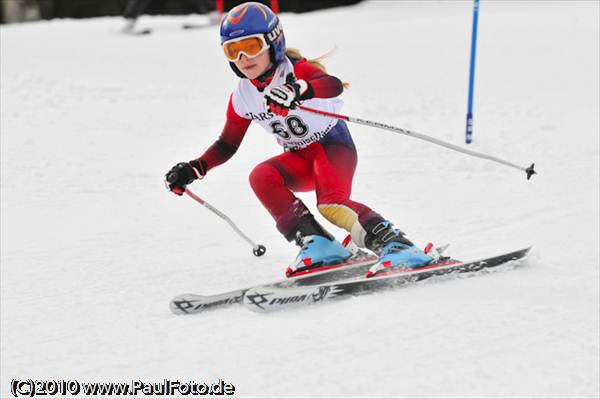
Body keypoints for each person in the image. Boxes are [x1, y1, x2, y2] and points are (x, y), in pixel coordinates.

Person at [165, 1, 432, 275]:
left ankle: (399, 247)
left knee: (331, 204)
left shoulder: (296, 71)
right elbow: (226, 144)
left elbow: (333, 85)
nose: (244, 57)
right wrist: (194, 168)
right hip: (300, 158)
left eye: (252, 46)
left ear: (274, 42)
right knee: (261, 176)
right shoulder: (243, 96)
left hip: (332, 147)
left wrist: (299, 90)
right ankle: (320, 245)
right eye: (233, 50)